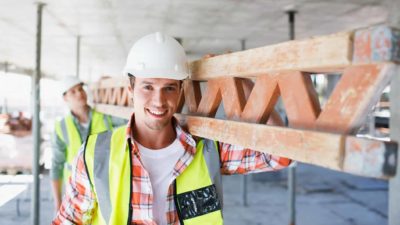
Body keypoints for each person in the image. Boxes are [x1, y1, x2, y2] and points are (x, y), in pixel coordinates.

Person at [52, 32, 291, 225]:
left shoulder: (208, 150)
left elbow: (280, 155)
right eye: (148, 87)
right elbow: (69, 220)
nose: (159, 101)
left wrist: (243, 83)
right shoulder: (95, 155)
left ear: (180, 92)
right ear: (130, 91)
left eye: (169, 88)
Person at [50, 76, 126, 211]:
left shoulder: (105, 116)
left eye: (80, 89)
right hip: (76, 190)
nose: (79, 93)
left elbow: (130, 120)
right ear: (65, 98)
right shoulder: (61, 127)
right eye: (73, 91)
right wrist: (57, 202)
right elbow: (57, 165)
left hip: (106, 187)